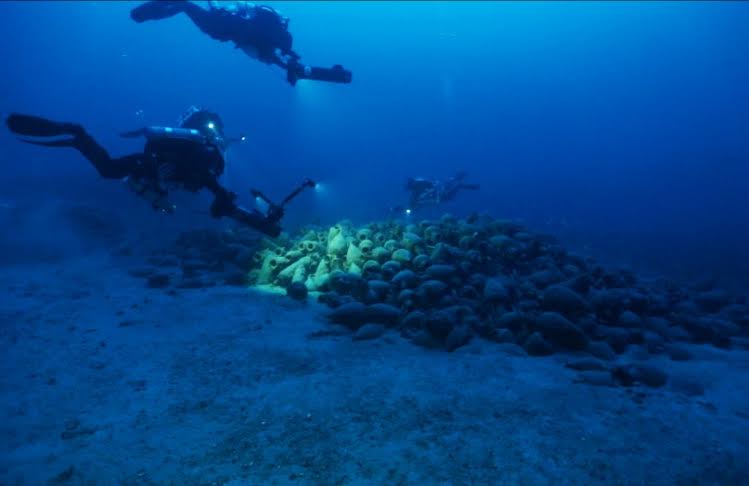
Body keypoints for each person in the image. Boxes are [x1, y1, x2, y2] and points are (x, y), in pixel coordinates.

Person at [5, 107, 290, 237]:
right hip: (151, 165)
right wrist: (158, 182)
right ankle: (77, 134)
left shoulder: (204, 158)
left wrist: (222, 201)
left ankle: (78, 137)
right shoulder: (207, 156)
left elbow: (208, 183)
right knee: (108, 170)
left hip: (153, 166)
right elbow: (202, 176)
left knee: (108, 169)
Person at [130, 1, 352, 86]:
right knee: (184, 6)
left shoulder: (265, 22)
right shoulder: (272, 39)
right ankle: (337, 75)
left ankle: (140, 14)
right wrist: (290, 63)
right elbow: (265, 56)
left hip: (220, 25)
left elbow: (241, 13)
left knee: (183, 5)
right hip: (221, 30)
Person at [403, 171, 480, 212]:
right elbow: (414, 200)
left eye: (410, 187)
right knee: (449, 184)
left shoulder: (418, 186)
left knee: (450, 194)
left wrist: (411, 206)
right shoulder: (418, 185)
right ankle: (458, 179)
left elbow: (414, 199)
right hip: (439, 190)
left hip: (440, 194)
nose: (410, 189)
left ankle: (460, 184)